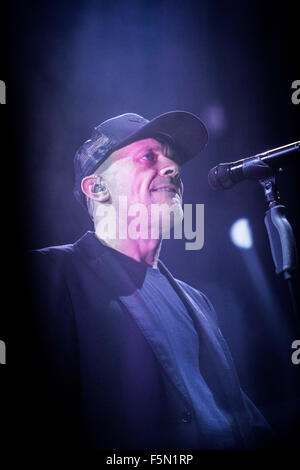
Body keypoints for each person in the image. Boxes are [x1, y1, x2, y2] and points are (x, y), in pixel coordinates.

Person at [26, 111, 272, 450]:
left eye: (172, 159)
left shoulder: (197, 301)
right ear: (97, 187)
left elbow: (238, 414)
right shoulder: (51, 274)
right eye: (148, 156)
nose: (172, 168)